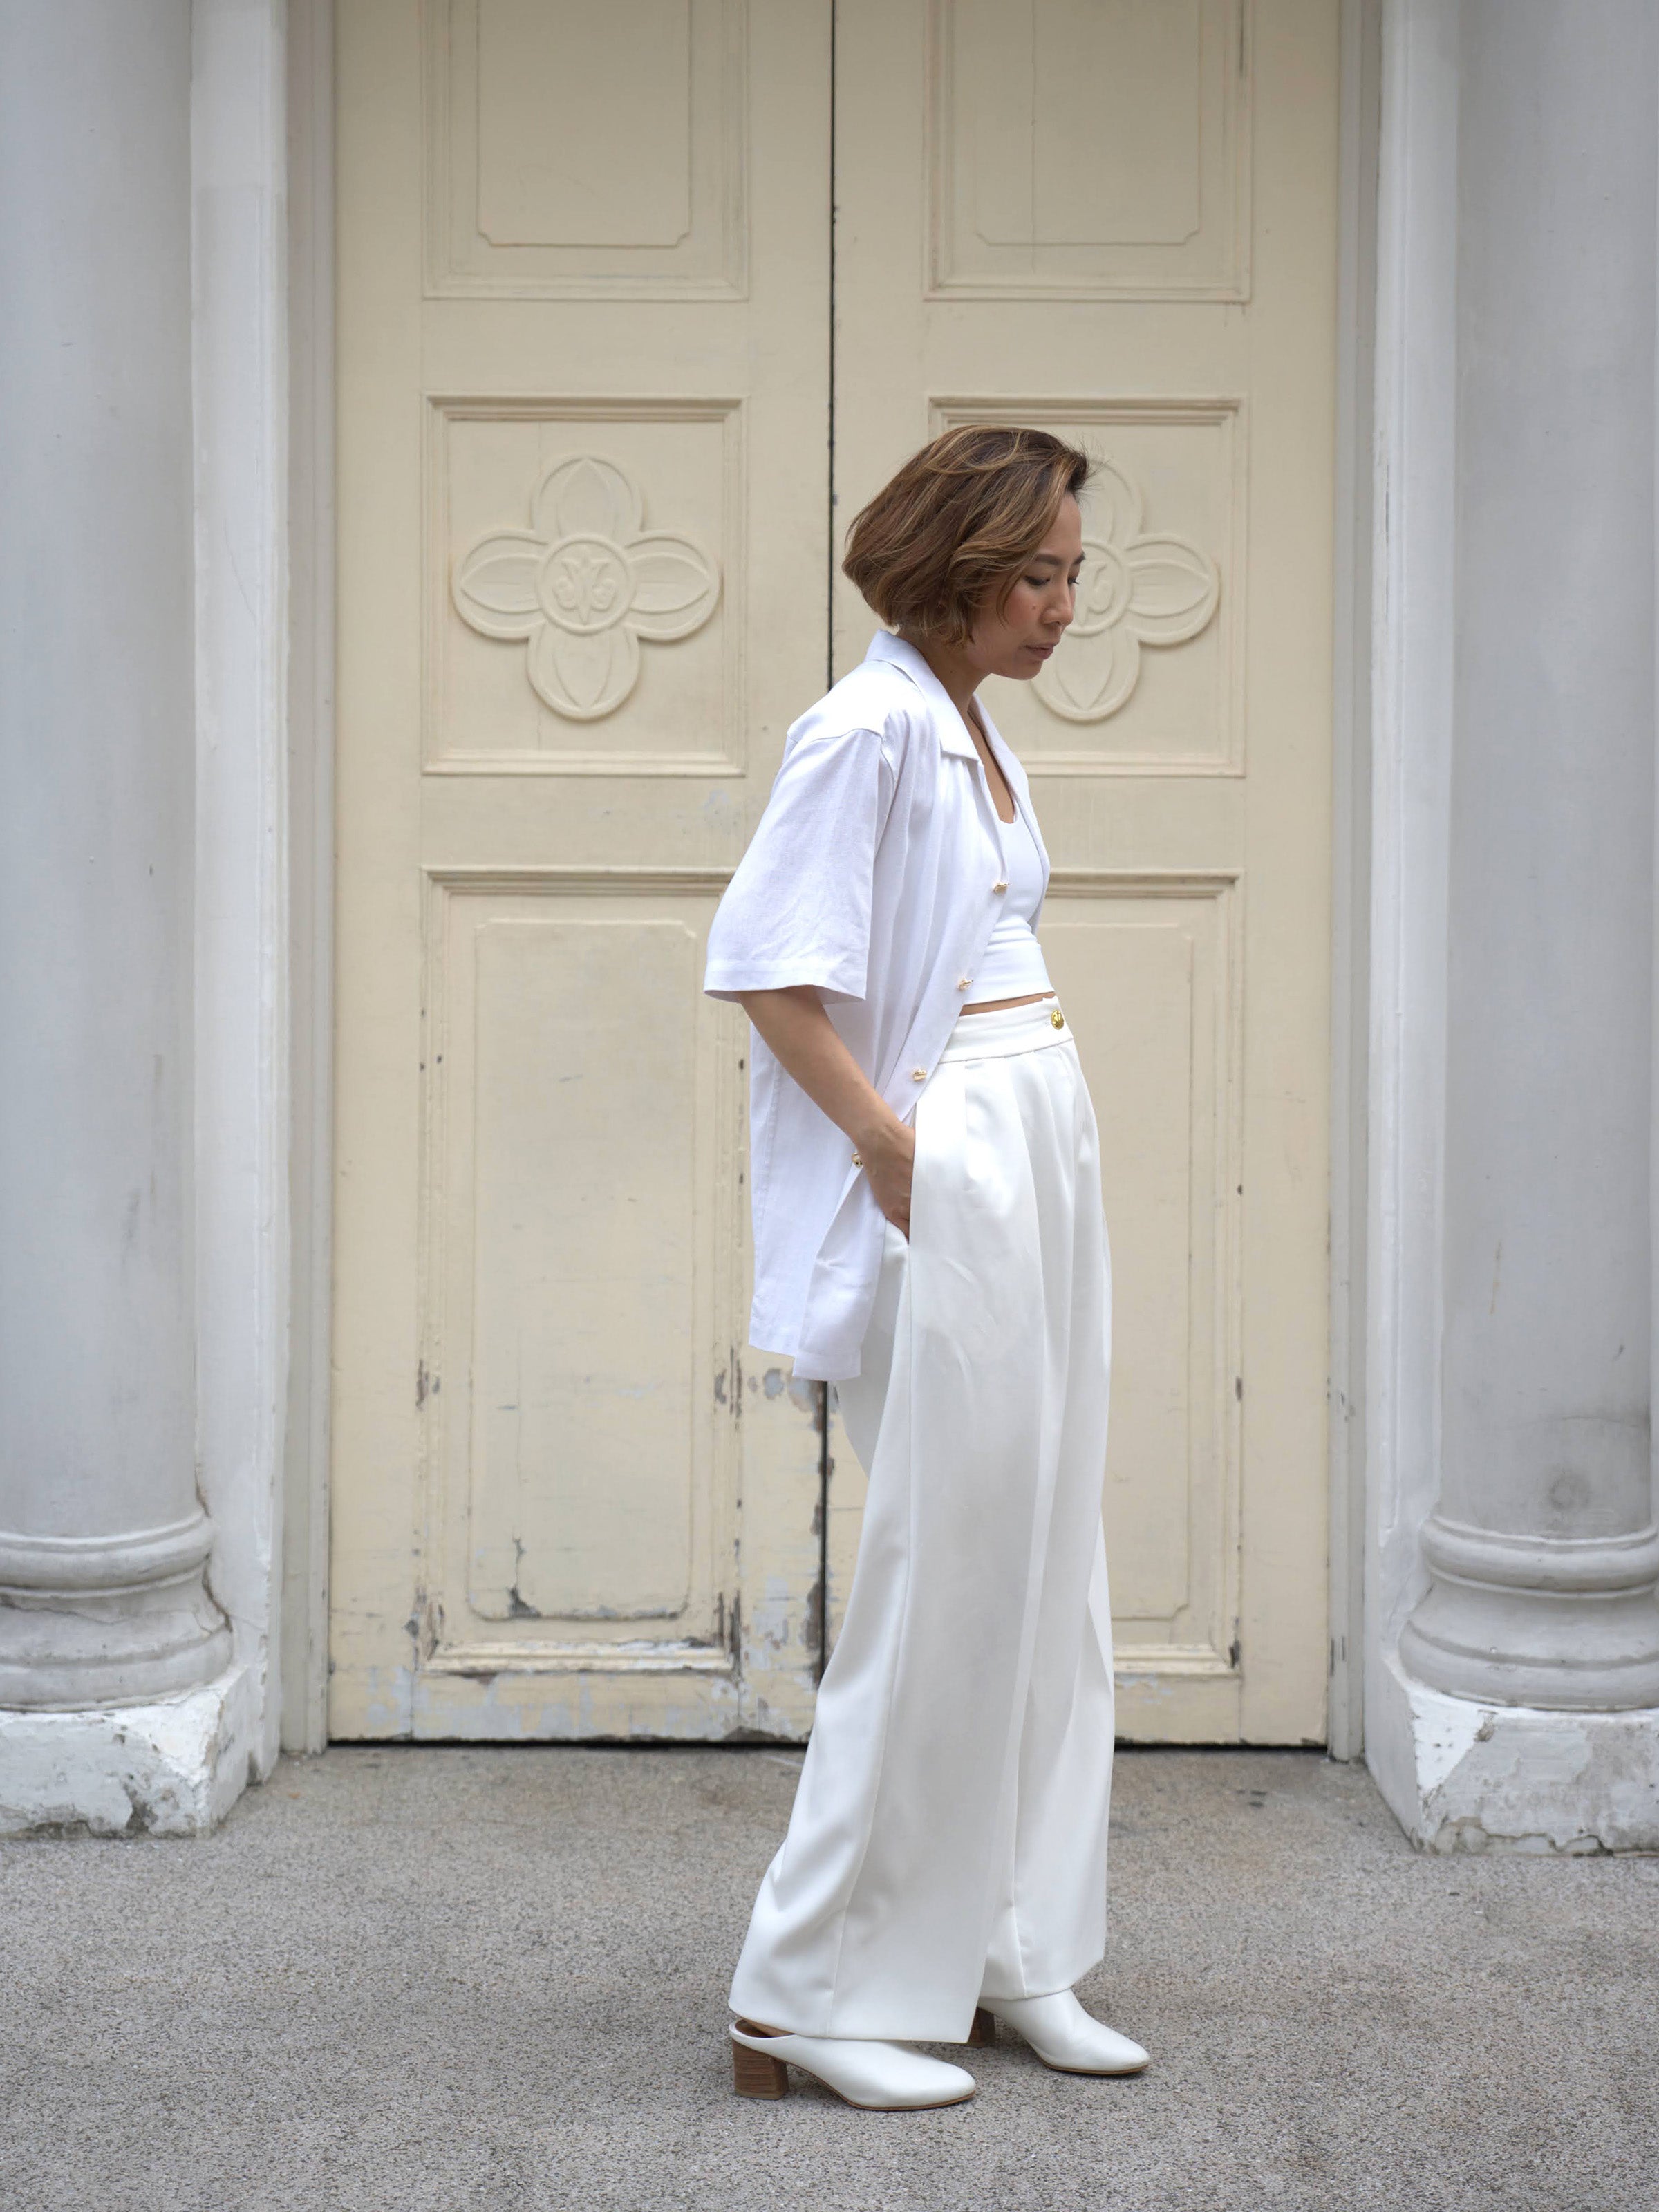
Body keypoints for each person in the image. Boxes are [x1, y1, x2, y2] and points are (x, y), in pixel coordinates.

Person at [703, 424, 1147, 2111]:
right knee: (938, 1584)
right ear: (954, 572)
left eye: (1071, 576)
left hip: (1033, 1154)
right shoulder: (867, 726)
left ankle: (1009, 1946)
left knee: (1044, 1574)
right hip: (950, 1175)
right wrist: (896, 1156)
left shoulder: (968, 725)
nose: (1060, 608)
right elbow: (766, 966)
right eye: (1037, 576)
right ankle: (802, 1991)